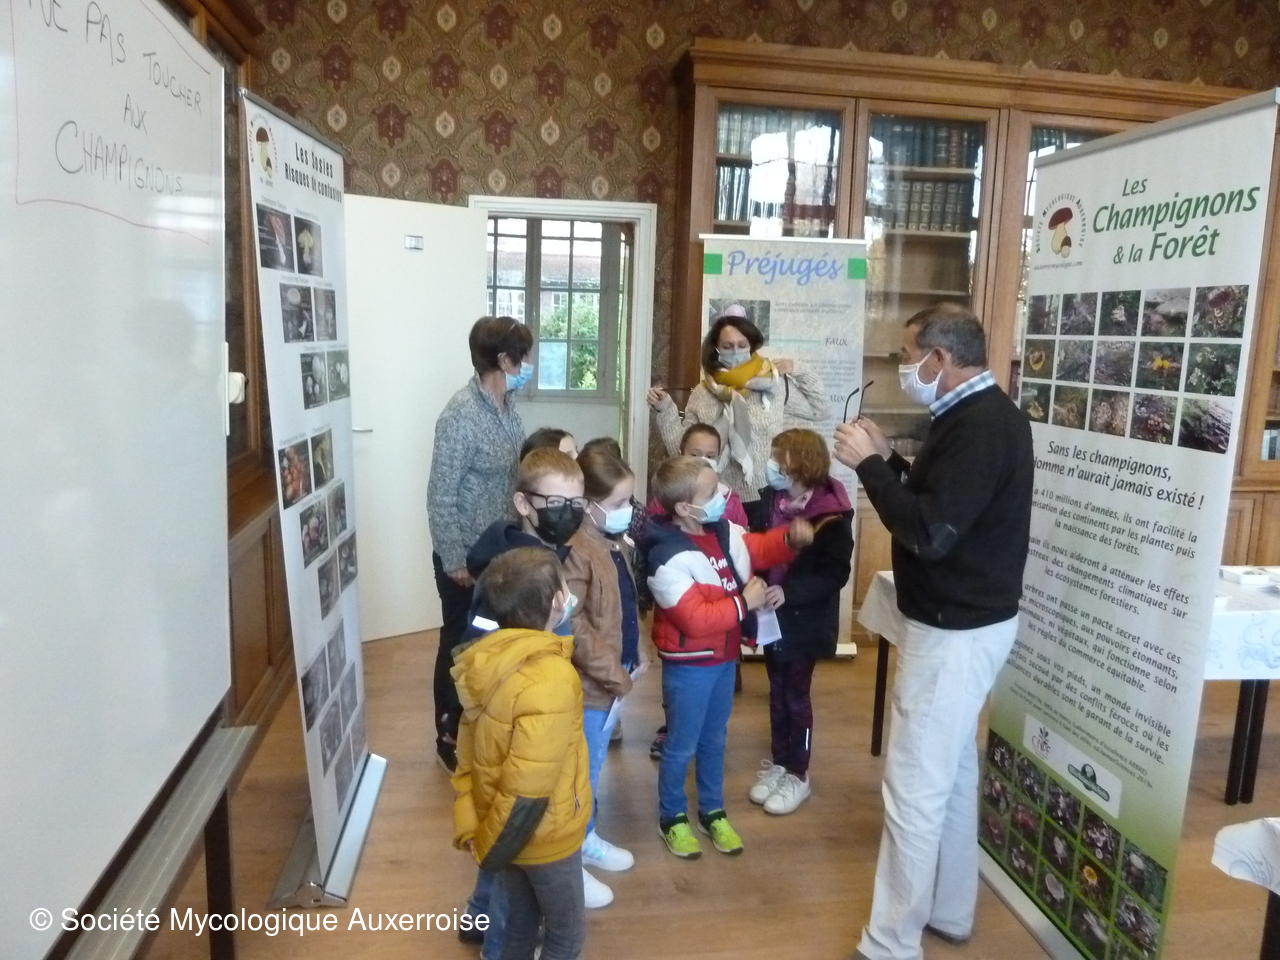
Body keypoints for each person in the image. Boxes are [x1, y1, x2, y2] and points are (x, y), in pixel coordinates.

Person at [831, 303, 1033, 960]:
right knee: (951, 771)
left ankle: (891, 944)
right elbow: (940, 503)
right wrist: (890, 459)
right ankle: (949, 908)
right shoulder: (974, 415)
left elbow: (928, 533)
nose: (902, 366)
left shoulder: (981, 427)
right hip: (963, 622)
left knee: (915, 787)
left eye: (906, 354)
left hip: (956, 631)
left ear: (939, 359)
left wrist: (868, 467)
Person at [643, 456, 813, 860]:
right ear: (684, 508)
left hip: (723, 658)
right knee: (681, 744)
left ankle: (712, 811)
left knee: (715, 739)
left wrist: (788, 540)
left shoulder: (723, 529)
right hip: (689, 665)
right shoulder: (666, 555)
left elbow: (756, 548)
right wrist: (743, 603)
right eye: (712, 492)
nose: (723, 495)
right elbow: (694, 618)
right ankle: (671, 816)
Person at [451, 548, 591, 960]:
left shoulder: (486, 659)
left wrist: (483, 834)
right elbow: (528, 791)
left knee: (517, 928)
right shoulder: (550, 678)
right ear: (557, 601)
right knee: (565, 936)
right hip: (544, 838)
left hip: (506, 833)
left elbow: (468, 759)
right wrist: (491, 848)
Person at [428, 317, 533, 774]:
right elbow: (440, 494)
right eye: (522, 356)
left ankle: (485, 731)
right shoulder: (460, 415)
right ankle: (448, 734)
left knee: (491, 644)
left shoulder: (508, 407)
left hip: (500, 551)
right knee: (459, 646)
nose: (527, 364)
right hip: (466, 557)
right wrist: (455, 560)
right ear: (504, 360)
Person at [746, 428, 853, 816]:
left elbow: (835, 573)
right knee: (776, 692)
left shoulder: (831, 516)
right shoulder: (770, 501)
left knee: (796, 695)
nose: (771, 465)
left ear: (802, 465)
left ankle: (799, 773)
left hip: (803, 621)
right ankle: (779, 763)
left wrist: (790, 592)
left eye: (779, 458)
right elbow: (756, 549)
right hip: (770, 618)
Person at [563, 447, 647, 905]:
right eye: (618, 503)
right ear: (587, 504)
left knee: (590, 772)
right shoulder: (577, 551)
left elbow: (625, 605)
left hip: (612, 680)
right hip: (592, 686)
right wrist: (614, 672)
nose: (628, 510)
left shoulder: (613, 543)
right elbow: (573, 625)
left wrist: (638, 650)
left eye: (628, 501)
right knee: (582, 775)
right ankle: (568, 855)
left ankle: (586, 836)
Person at [647, 307, 828, 504]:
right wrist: (665, 409)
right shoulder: (703, 392)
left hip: (766, 496)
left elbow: (820, 409)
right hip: (717, 497)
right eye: (727, 346)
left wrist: (797, 368)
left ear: (752, 346)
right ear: (716, 349)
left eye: (742, 345)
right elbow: (682, 450)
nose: (735, 351)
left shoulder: (774, 386)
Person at [645, 421, 747, 763]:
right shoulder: (666, 537)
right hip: (689, 647)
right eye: (696, 453)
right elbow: (692, 616)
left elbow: (745, 546)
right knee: (682, 725)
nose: (705, 460)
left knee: (713, 732)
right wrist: (745, 603)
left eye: (711, 455)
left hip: (725, 641)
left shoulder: (727, 508)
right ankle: (673, 729)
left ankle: (709, 791)